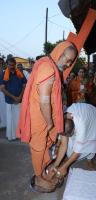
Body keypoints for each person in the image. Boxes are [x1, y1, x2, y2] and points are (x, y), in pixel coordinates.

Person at [17, 41, 78, 192]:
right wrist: (50, 122)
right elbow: (44, 100)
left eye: (71, 61)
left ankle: (42, 170)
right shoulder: (48, 69)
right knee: (38, 148)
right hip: (40, 117)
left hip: (43, 116)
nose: (68, 64)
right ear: (59, 53)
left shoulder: (50, 67)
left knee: (44, 145)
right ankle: (38, 178)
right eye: (67, 59)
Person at [48, 103, 96, 179]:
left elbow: (77, 152)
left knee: (91, 141)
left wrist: (64, 167)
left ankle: (90, 160)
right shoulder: (64, 120)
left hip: (92, 116)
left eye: (70, 134)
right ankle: (66, 159)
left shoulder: (81, 127)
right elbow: (63, 145)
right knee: (69, 148)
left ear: (74, 129)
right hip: (81, 113)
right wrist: (55, 165)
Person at [0, 57, 27, 140]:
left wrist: (20, 97)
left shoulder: (20, 73)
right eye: (9, 65)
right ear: (7, 65)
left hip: (19, 100)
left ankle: (19, 135)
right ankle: (11, 136)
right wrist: (14, 97)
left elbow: (24, 85)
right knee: (10, 119)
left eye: (13, 65)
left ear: (15, 64)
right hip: (10, 100)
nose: (11, 66)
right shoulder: (3, 74)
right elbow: (2, 88)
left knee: (19, 118)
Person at [0, 58, 6, 128]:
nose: (0, 65)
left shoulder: (5, 72)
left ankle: (4, 124)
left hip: (4, 93)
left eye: (1, 63)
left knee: (4, 109)